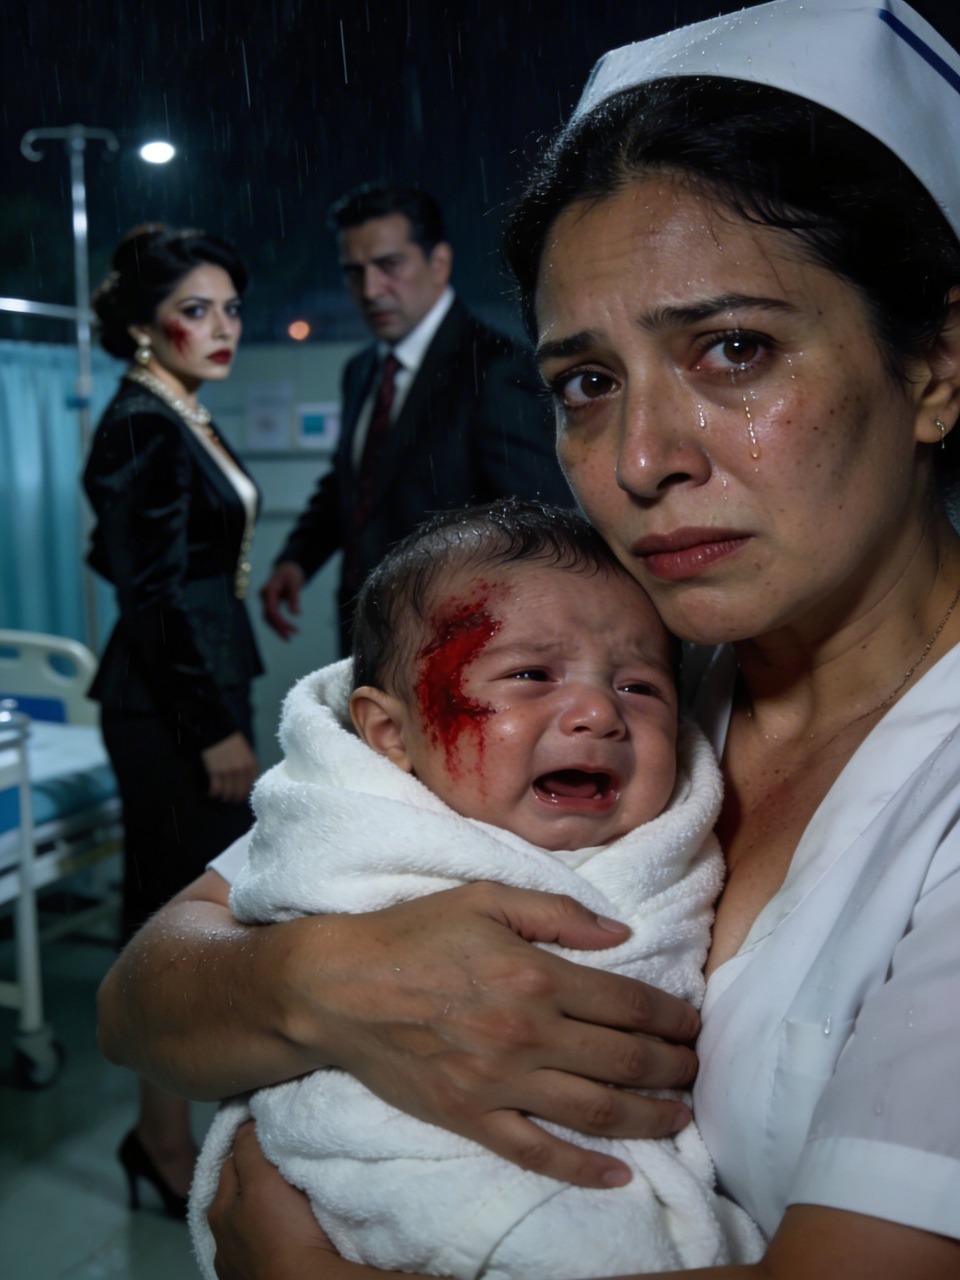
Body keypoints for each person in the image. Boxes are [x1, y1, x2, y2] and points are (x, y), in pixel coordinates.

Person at [97, 2, 960, 1276]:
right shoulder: (644, 680)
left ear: (936, 362)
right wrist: (322, 980)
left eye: (734, 348)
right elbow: (140, 996)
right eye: (587, 384)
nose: (640, 460)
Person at [189, 500, 762, 1279]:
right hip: (371, 1163)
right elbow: (145, 997)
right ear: (390, 737)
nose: (599, 713)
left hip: (603, 1188)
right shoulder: (345, 815)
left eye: (640, 687)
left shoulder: (673, 836)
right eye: (532, 675)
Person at [83, 223, 262, 1220]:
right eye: (197, 310)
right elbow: (147, 593)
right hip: (171, 705)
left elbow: (127, 557)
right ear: (148, 327)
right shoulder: (145, 422)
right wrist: (210, 728)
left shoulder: (175, 408)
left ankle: (164, 1127)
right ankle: (162, 1131)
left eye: (230, 307)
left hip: (193, 682)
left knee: (185, 900)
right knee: (179, 908)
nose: (222, 326)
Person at [258, 183, 572, 653]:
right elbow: (354, 479)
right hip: (366, 633)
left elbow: (537, 524)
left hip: (454, 641)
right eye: (353, 272)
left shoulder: (497, 368)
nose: (369, 290)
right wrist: (298, 560)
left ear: (438, 263)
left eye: (388, 266)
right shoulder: (362, 370)